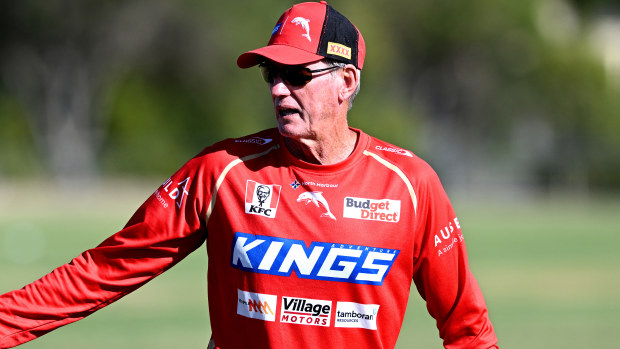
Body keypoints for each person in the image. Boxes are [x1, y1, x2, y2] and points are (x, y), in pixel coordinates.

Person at [0, 1, 498, 348]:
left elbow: (468, 329)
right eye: (271, 74)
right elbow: (102, 271)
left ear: (346, 82)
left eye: (298, 75)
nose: (280, 89)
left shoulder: (411, 185)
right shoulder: (222, 171)